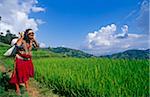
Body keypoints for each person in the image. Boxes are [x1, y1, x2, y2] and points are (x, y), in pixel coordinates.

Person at [9, 29, 39, 95]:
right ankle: (17, 89)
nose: (32, 34)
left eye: (33, 33)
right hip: (20, 59)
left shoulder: (31, 41)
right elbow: (17, 45)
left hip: (28, 60)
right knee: (17, 74)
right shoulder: (22, 40)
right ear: (26, 34)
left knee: (26, 74)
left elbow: (37, 47)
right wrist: (22, 37)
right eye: (30, 33)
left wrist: (34, 39)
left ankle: (27, 87)